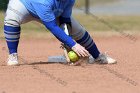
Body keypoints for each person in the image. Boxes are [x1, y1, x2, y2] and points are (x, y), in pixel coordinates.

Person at [4, 0, 117, 66]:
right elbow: (52, 26)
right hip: (25, 6)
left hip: (51, 11)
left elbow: (65, 20)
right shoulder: (43, 2)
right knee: (11, 19)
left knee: (77, 30)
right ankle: (12, 56)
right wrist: (73, 45)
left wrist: (67, 41)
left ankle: (98, 57)